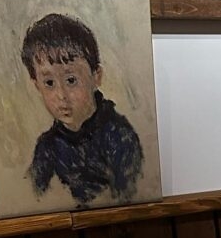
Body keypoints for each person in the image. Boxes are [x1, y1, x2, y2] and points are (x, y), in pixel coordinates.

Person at [21, 12, 144, 206]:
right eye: (49, 83)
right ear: (37, 85)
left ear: (97, 76)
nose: (61, 95)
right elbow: (35, 198)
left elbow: (129, 196)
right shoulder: (47, 147)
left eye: (71, 80)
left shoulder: (119, 136)